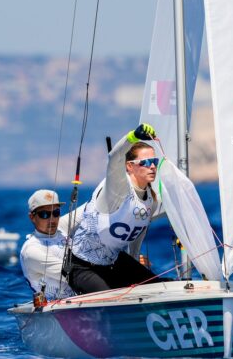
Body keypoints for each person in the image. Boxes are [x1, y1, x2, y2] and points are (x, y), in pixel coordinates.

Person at [66, 123, 168, 294]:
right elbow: (114, 158)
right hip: (81, 266)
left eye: (154, 161)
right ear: (129, 166)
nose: (152, 166)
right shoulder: (118, 188)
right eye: (146, 162)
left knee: (160, 288)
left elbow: (138, 231)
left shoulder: (152, 199)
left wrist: (135, 263)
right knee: (110, 297)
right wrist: (133, 136)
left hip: (114, 262)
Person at [19, 189, 76, 302]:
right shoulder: (30, 250)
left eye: (56, 213)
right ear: (32, 217)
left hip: (84, 297)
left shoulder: (61, 228)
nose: (52, 219)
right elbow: (72, 274)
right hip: (59, 310)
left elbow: (93, 206)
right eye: (44, 214)